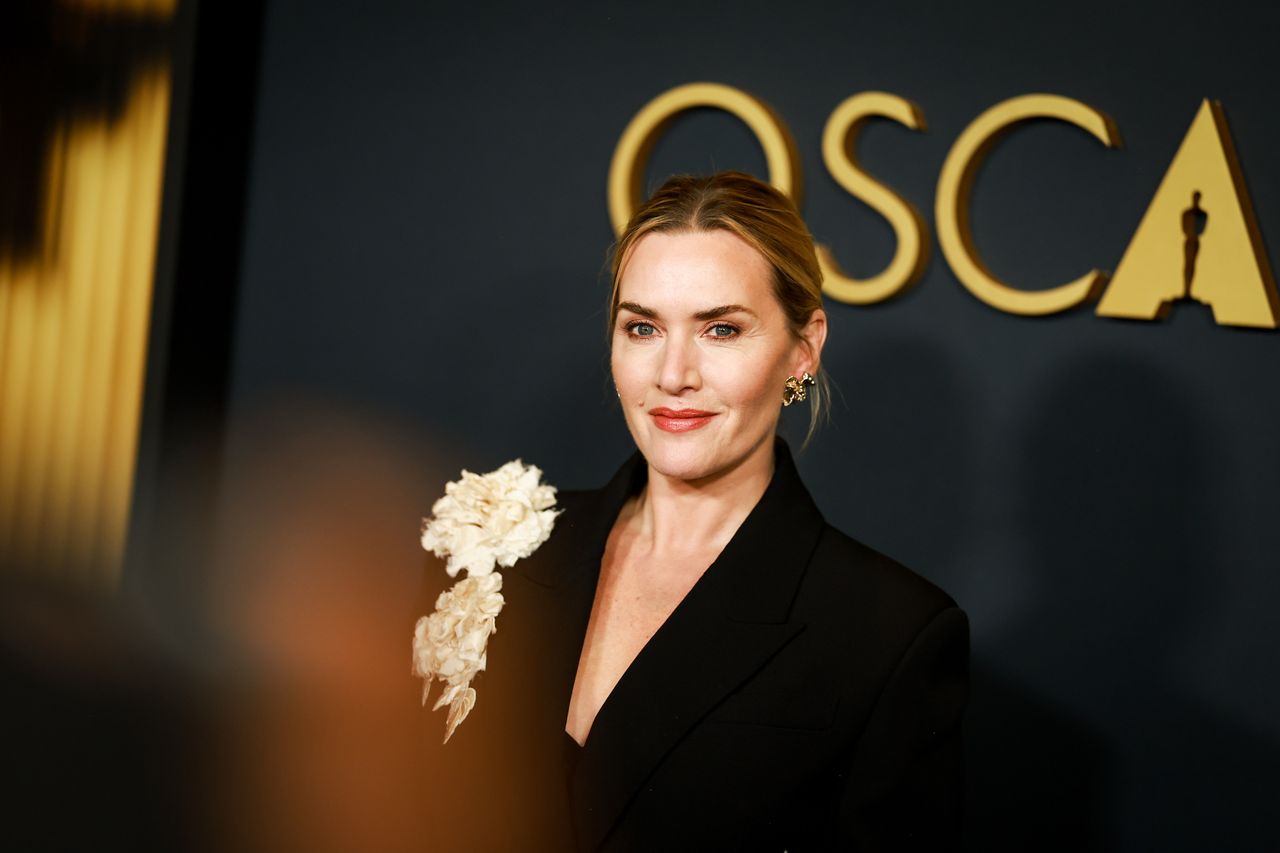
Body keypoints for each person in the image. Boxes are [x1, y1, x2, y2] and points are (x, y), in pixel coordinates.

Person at [417, 171, 968, 852]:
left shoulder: (890, 634)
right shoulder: (495, 545)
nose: (674, 374)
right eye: (643, 327)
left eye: (721, 329)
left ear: (804, 348)